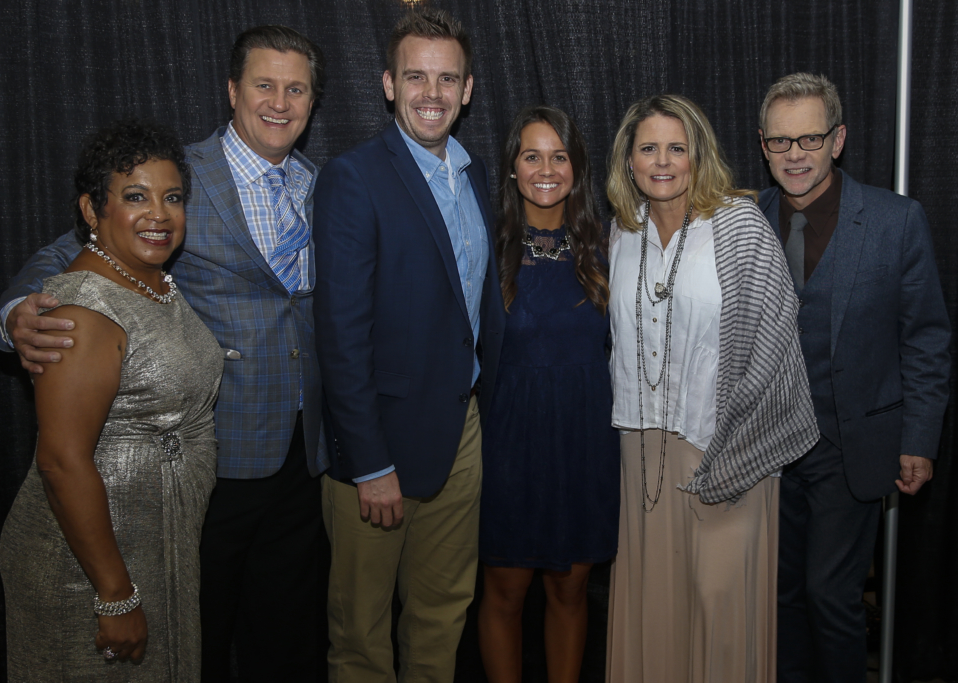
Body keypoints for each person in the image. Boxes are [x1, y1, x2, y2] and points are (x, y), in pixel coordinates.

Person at [0, 26, 330, 683]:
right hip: (213, 455)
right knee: (195, 635)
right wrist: (15, 315)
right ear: (232, 90)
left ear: (313, 103)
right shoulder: (176, 176)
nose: (280, 102)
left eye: (297, 90)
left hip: (301, 449)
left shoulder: (318, 183)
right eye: (264, 85)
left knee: (285, 634)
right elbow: (68, 250)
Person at [311, 8, 505, 682]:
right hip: (380, 443)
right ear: (389, 84)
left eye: (447, 78)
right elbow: (340, 335)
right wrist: (369, 462)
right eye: (416, 76)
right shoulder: (354, 177)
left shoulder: (474, 174)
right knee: (361, 635)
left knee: (442, 615)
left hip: (461, 431)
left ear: (468, 89)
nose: (432, 92)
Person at [0, 118, 223, 680]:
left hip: (154, 545)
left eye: (173, 197)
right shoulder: (81, 311)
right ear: (92, 210)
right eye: (135, 197)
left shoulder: (150, 279)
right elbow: (61, 461)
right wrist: (116, 594)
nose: (159, 214)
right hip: (89, 570)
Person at [604, 94, 818, 683]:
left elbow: (776, 345)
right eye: (649, 148)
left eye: (678, 148)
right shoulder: (622, 233)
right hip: (641, 456)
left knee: (720, 611)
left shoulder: (737, 225)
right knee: (655, 608)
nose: (663, 161)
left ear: (700, 156)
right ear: (628, 161)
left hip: (728, 450)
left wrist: (735, 452)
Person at [757, 73, 950, 683]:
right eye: (780, 141)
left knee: (830, 595)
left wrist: (919, 438)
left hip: (851, 447)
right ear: (763, 145)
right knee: (780, 596)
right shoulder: (742, 220)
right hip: (767, 451)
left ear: (837, 140)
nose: (794, 154)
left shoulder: (897, 221)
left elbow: (926, 337)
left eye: (809, 139)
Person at [477, 105, 619, 683]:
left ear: (576, 167)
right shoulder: (484, 248)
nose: (546, 169)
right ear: (512, 168)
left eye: (559, 156)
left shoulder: (610, 247)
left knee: (571, 591)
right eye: (531, 156)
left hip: (585, 445)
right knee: (505, 594)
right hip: (508, 448)